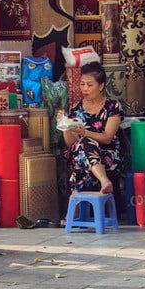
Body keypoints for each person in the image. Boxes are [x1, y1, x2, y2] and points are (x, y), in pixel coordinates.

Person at [59, 61, 123, 194]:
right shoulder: (76, 109)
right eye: (82, 84)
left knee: (81, 159)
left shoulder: (112, 106)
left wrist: (85, 133)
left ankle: (76, 210)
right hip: (81, 153)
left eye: (89, 85)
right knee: (82, 145)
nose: (84, 89)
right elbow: (71, 143)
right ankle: (104, 181)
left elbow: (107, 138)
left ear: (101, 86)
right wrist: (64, 125)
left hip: (107, 154)